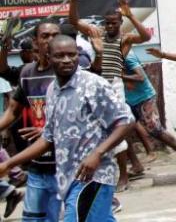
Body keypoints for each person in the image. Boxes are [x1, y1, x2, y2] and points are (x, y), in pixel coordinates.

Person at [0, 35, 135, 222]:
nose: (67, 60)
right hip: (67, 178)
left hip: (94, 178)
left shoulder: (93, 84)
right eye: (60, 55)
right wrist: (8, 164)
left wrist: (98, 153)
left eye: (72, 55)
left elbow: (126, 120)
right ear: (48, 57)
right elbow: (48, 139)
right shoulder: (52, 90)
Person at [66, 0, 151, 192]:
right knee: (100, 129)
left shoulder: (125, 38)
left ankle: (123, 175)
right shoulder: (97, 33)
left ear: (120, 23)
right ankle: (109, 171)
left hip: (113, 85)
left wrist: (130, 15)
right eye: (108, 23)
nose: (110, 26)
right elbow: (74, 21)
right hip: (96, 83)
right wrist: (74, 0)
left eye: (114, 23)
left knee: (117, 127)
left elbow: (146, 37)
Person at [0, 20, 61, 222]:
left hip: (66, 165)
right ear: (35, 41)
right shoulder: (27, 73)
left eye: (55, 35)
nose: (51, 40)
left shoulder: (68, 73)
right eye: (45, 36)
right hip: (38, 164)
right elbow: (13, 110)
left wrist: (47, 130)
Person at [123, 51, 176, 170]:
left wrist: (120, 75)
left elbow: (141, 76)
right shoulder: (114, 54)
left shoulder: (127, 56)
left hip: (143, 98)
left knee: (155, 129)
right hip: (129, 99)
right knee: (122, 130)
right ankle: (136, 165)